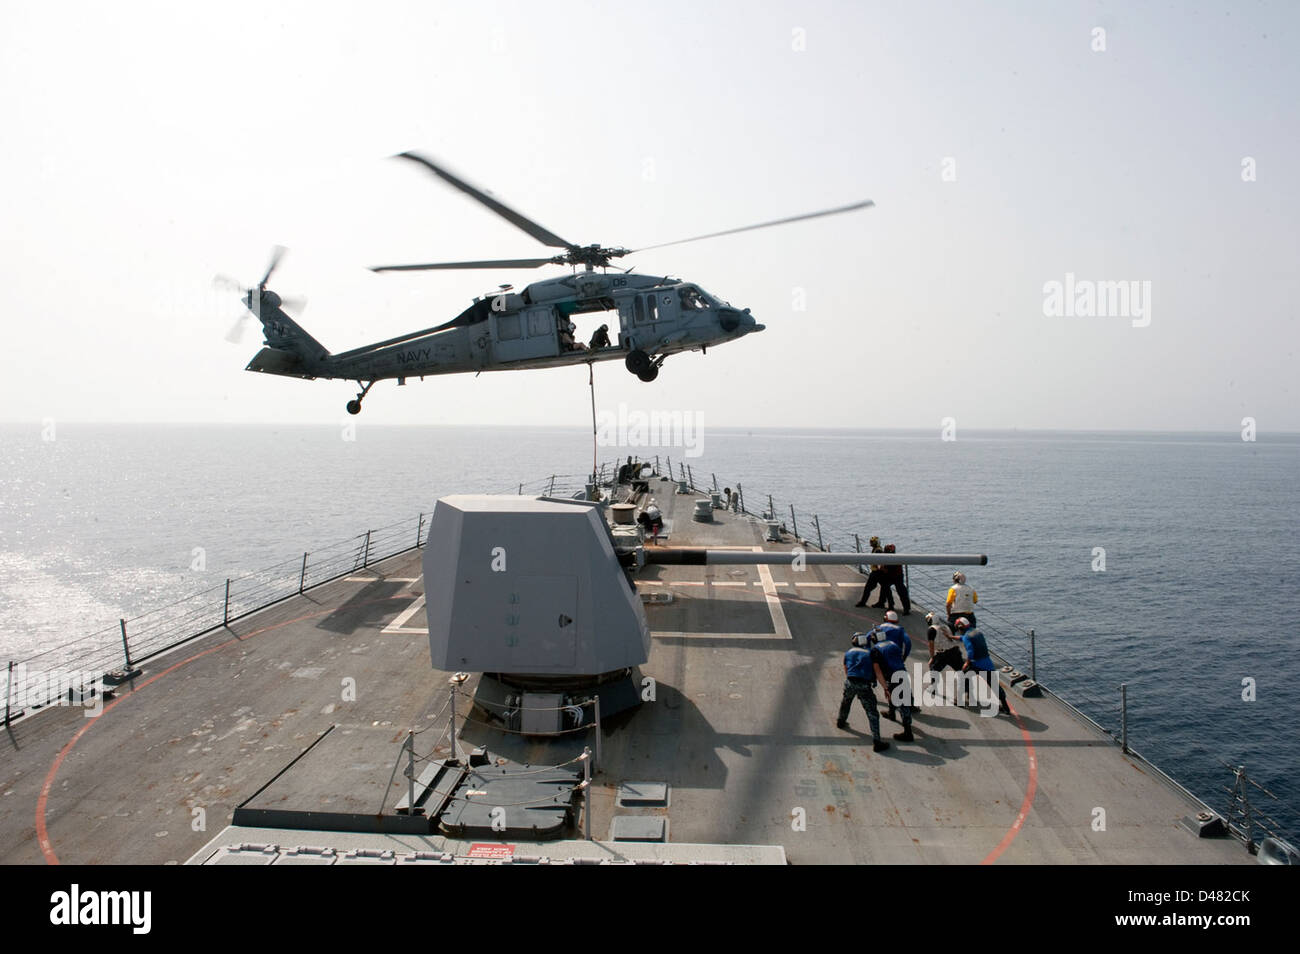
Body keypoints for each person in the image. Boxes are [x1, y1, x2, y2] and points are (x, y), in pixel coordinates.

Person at [836, 634, 890, 752]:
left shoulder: (848, 653)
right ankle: (876, 741)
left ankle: (841, 721)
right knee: (872, 713)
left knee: (846, 702)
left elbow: (846, 668)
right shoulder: (871, 653)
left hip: (850, 681)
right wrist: (885, 688)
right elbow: (878, 672)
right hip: (864, 685)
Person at [953, 617, 1009, 715]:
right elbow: (964, 638)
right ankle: (1006, 707)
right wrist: (952, 637)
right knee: (995, 685)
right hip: (987, 663)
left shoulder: (966, 637)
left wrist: (967, 663)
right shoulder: (977, 632)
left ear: (960, 628)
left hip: (975, 663)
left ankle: (960, 700)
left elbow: (970, 651)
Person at [869, 632, 914, 742]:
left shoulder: (875, 650)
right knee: (897, 697)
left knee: (901, 703)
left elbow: (878, 671)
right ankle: (891, 713)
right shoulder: (893, 644)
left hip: (891, 676)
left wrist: (884, 687)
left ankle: (908, 732)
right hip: (902, 673)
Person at [877, 543, 911, 615]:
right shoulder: (893, 558)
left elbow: (886, 569)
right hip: (895, 576)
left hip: (895, 576)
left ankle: (901, 607)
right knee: (887, 588)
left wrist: (882, 569)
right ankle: (893, 605)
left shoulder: (890, 559)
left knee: (900, 591)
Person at [854, 536, 886, 607]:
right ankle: (881, 602)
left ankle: (863, 602)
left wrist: (878, 568)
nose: (871, 543)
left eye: (873, 542)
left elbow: (879, 562)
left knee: (868, 588)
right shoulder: (877, 549)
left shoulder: (878, 551)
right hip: (879, 572)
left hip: (876, 573)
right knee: (884, 587)